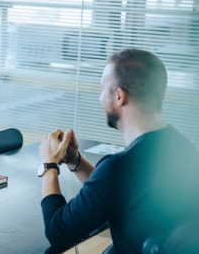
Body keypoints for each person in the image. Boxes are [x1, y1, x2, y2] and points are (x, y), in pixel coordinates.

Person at [38, 49, 199, 253]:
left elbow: (57, 231)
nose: (99, 98)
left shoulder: (120, 167)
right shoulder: (183, 146)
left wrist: (48, 165)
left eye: (102, 89)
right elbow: (114, 192)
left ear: (119, 96)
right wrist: (75, 161)